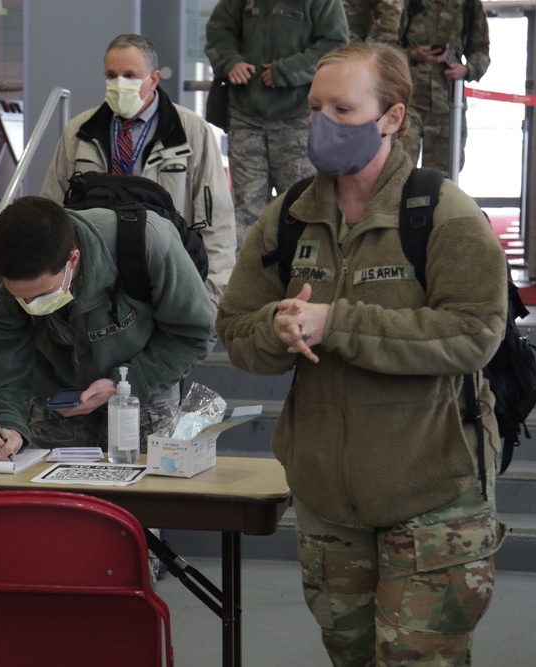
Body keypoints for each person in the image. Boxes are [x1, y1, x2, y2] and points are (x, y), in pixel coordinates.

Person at [216, 42, 507, 665]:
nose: (323, 123)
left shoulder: (442, 213)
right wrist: (278, 326)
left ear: (392, 117)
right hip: (328, 503)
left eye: (343, 109)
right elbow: (236, 329)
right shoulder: (288, 218)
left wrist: (337, 323)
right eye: (316, 106)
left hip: (432, 498)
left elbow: (474, 332)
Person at [0, 196, 213, 460]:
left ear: (72, 259)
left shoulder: (149, 242)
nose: (30, 304)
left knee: (143, 488)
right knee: (54, 492)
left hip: (142, 386)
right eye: (21, 298)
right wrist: (4, 425)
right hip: (55, 394)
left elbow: (195, 333)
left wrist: (124, 384)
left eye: (42, 295)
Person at [40, 33, 236, 310]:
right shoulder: (80, 131)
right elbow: (52, 206)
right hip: (96, 277)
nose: (119, 84)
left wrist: (210, 295)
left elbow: (217, 220)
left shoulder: (192, 132)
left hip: (169, 271)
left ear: (153, 79)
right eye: (111, 75)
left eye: (130, 76)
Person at [204, 0, 349, 248]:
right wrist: (231, 62)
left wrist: (287, 70)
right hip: (245, 114)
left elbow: (335, 45)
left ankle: (301, 275)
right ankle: (251, 279)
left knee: (301, 205)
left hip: (296, 119)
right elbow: (219, 31)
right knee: (246, 210)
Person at [400, 0, 490, 171]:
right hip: (407, 102)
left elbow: (481, 51)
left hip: (447, 106)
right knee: (398, 172)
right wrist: (411, 55)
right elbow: (383, 45)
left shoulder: (469, 5)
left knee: (442, 180)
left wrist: (466, 69)